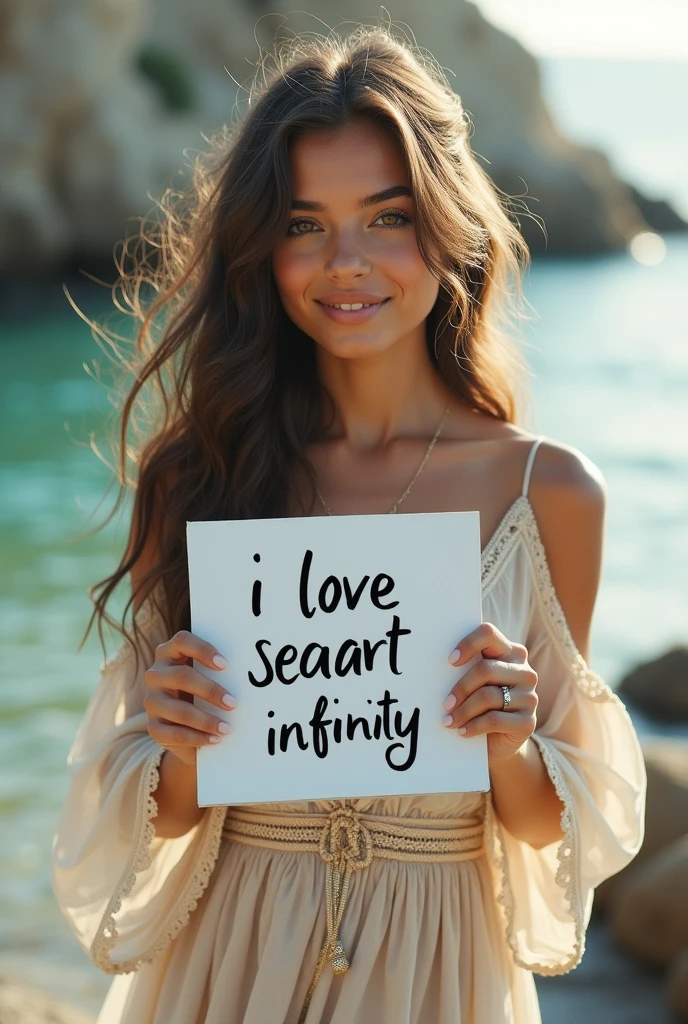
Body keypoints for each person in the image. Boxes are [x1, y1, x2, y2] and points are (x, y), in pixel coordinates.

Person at [52, 25, 646, 1024]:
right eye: (302, 224)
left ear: (445, 226)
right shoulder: (200, 475)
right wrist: (183, 742)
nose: (346, 263)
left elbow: (552, 822)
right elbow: (152, 814)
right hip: (226, 957)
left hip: (436, 967)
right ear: (261, 245)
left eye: (386, 217)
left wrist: (505, 740)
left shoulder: (549, 493)